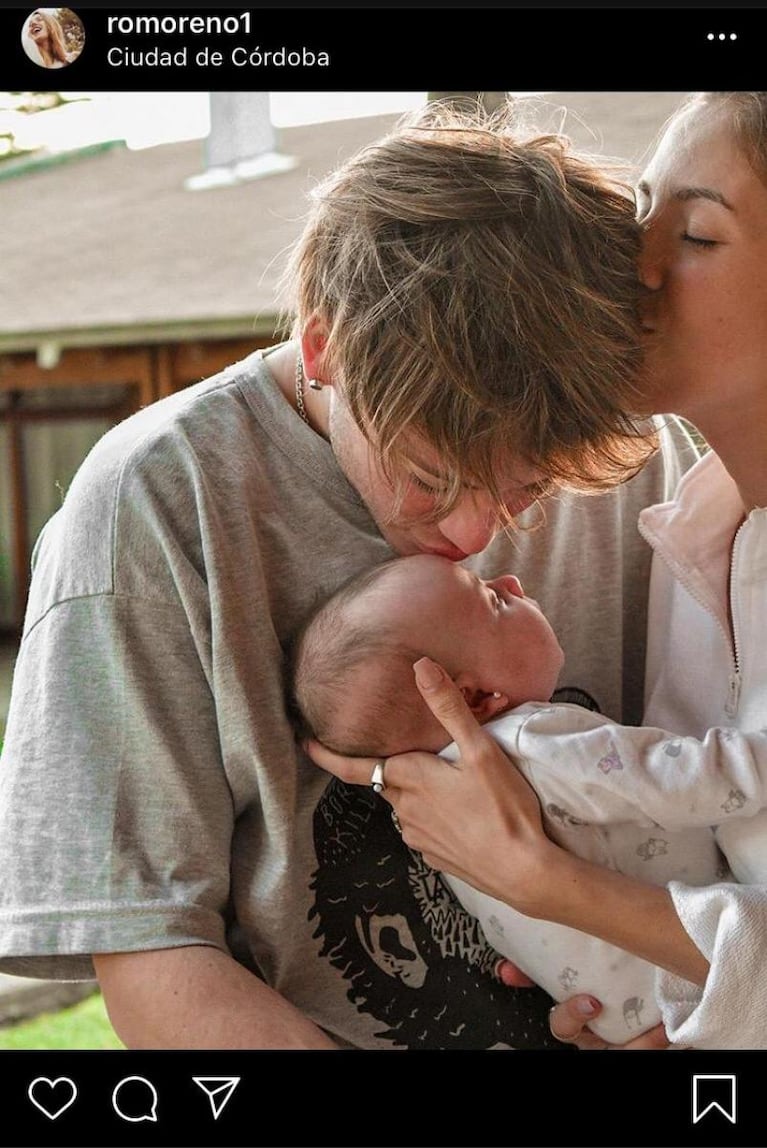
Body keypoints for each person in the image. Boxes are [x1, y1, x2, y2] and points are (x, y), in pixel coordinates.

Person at [0, 102, 691, 1050]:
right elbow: (150, 952)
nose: (476, 530)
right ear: (323, 348)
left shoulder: (644, 463)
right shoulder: (151, 505)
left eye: (526, 484)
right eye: (430, 476)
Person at [311, 91, 767, 1050]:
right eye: (640, 212)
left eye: (694, 235)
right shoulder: (700, 535)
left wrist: (547, 884)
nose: (631, 267)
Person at [290, 551, 767, 1044]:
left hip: (642, 1021)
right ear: (475, 699)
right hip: (709, 973)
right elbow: (692, 782)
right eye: (495, 600)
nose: (512, 580)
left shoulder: (440, 824)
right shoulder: (538, 741)